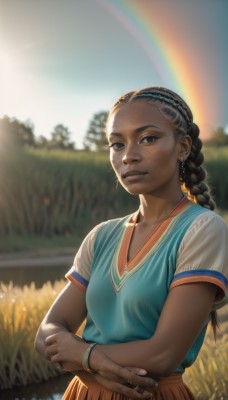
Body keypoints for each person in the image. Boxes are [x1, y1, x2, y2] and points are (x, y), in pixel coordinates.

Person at [35, 87, 228, 400]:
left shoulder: (203, 229)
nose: (128, 155)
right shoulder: (101, 236)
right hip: (82, 393)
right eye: (116, 143)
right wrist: (89, 359)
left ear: (182, 146)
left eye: (148, 138)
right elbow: (46, 333)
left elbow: (162, 355)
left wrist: (82, 354)